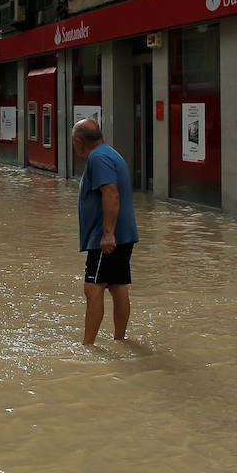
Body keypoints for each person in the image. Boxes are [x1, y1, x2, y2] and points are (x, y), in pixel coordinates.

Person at [71, 118, 139, 345]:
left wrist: (108, 233)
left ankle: (87, 346)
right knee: (118, 286)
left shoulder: (98, 158)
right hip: (123, 234)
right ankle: (120, 340)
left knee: (93, 287)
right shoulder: (110, 153)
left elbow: (111, 193)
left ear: (79, 141)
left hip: (107, 238)